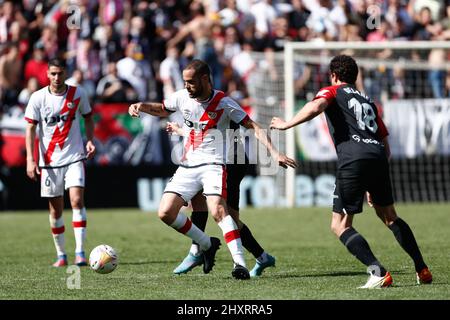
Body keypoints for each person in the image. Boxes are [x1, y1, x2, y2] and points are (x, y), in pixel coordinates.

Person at [270, 55, 432, 289]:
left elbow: (316, 106)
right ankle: (422, 268)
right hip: (378, 157)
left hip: (354, 159)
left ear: (334, 76)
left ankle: (378, 272)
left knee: (339, 225)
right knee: (390, 217)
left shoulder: (332, 91)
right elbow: (384, 141)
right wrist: (374, 175)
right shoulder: (369, 101)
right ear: (355, 77)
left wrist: (287, 124)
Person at [129, 59, 296, 279]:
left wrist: (274, 153)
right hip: (190, 164)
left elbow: (253, 126)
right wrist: (141, 106)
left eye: (191, 82)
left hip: (225, 163)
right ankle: (206, 247)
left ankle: (237, 263)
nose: (187, 86)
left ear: (205, 79)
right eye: (185, 82)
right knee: (171, 211)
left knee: (221, 212)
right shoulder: (182, 97)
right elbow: (164, 109)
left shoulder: (224, 103)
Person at [166, 121, 276, 277]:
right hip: (208, 160)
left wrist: (274, 152)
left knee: (229, 218)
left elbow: (212, 132)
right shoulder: (201, 103)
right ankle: (196, 251)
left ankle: (257, 258)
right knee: (198, 202)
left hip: (230, 163)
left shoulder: (222, 104)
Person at [25, 58, 96, 267]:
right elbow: (30, 129)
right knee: (55, 209)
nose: (57, 77)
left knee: (76, 200)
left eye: (60, 73)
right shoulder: (37, 98)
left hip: (74, 156)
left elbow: (89, 117)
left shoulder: (78, 93)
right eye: (53, 73)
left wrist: (90, 139)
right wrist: (30, 159)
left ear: (66, 73)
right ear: (47, 74)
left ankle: (80, 252)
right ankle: (61, 255)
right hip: (49, 161)